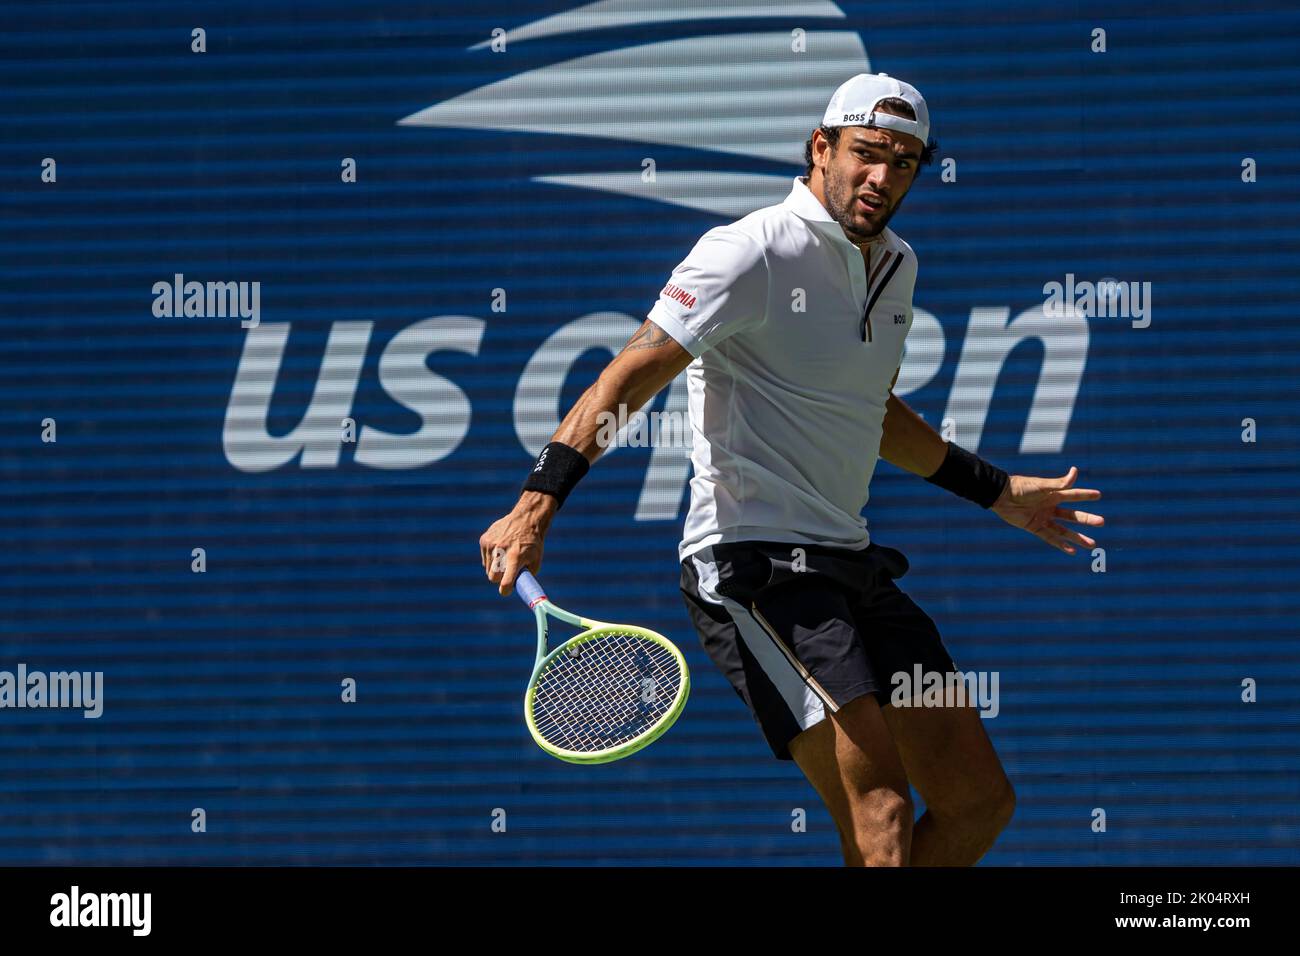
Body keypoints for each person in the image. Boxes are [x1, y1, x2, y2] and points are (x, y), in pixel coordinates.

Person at [479, 73, 1104, 866]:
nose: (882, 178)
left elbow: (871, 411)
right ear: (821, 147)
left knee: (979, 802)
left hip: (852, 560)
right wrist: (538, 503)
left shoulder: (897, 265)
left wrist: (998, 492)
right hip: (755, 567)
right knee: (878, 815)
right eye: (867, 154)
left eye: (904, 164)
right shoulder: (748, 252)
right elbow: (625, 378)